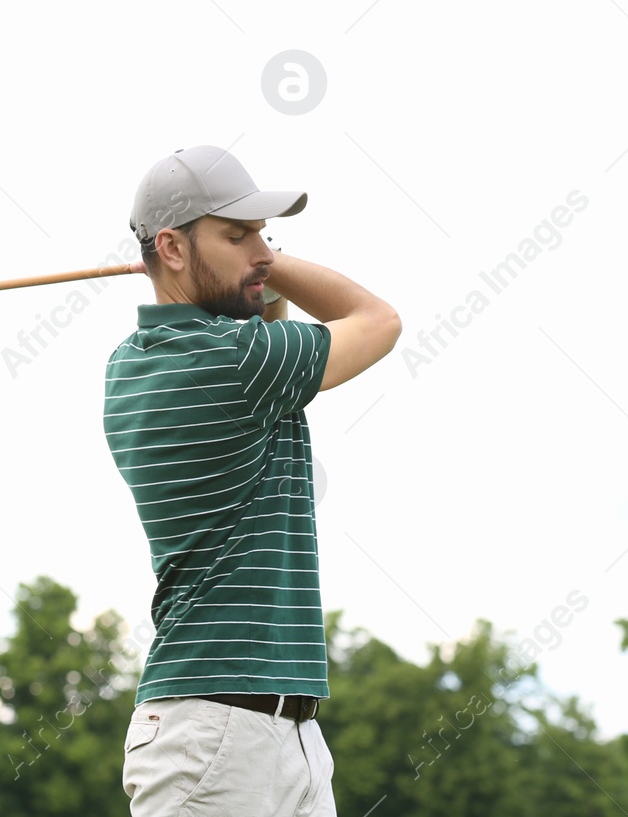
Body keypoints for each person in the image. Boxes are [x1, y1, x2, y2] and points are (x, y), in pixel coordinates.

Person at [105, 145, 401, 816]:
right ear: (173, 248)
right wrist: (275, 267)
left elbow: (259, 319)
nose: (262, 251)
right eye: (239, 235)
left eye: (264, 234)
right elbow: (379, 320)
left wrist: (244, 264)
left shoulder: (132, 363)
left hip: (278, 730)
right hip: (217, 736)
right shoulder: (236, 362)